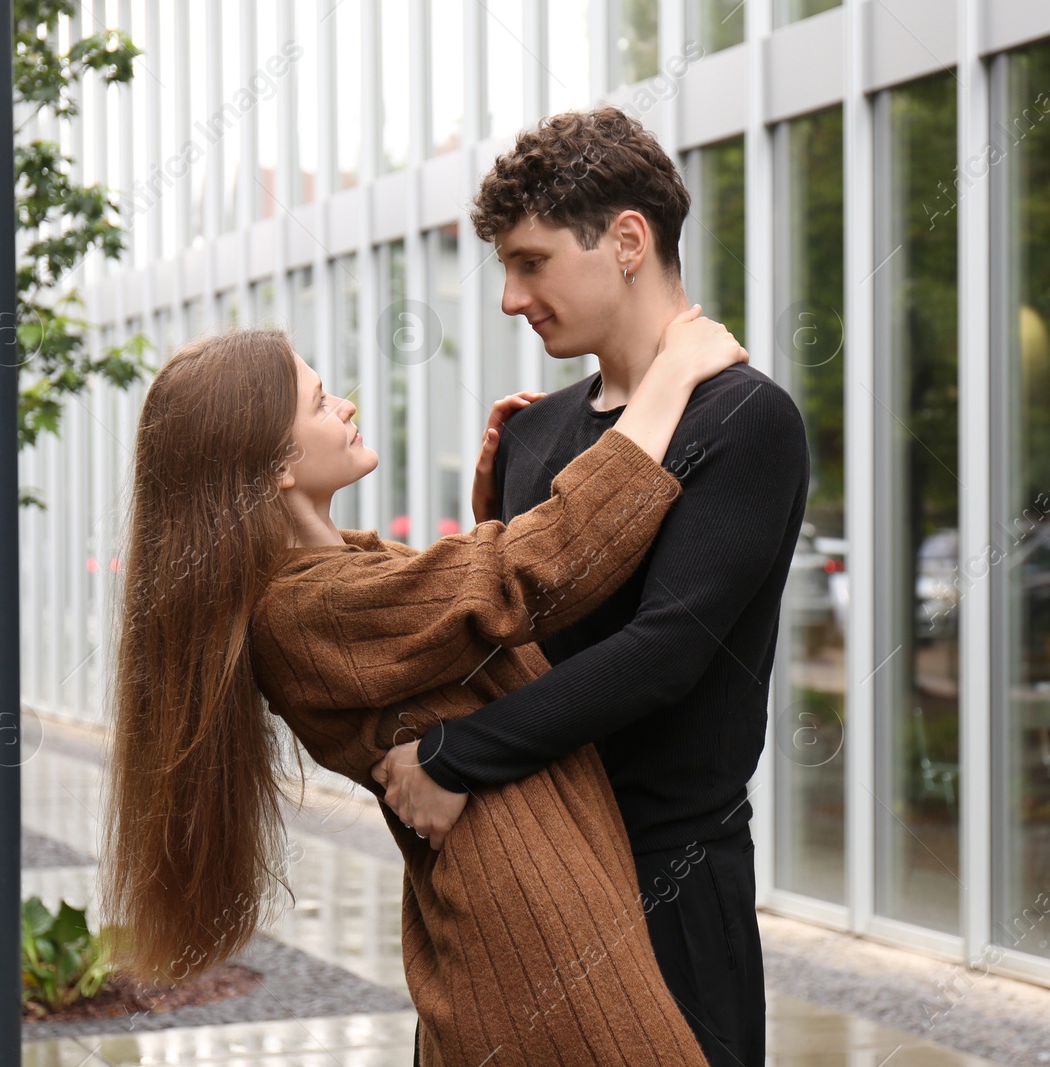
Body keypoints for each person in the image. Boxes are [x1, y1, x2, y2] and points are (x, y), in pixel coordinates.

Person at [99, 317, 746, 1066]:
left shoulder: (332, 583)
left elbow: (465, 639)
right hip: (533, 929)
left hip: (523, 914)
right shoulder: (303, 609)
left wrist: (490, 517)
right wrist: (670, 378)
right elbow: (529, 574)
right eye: (318, 402)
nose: (345, 406)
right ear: (276, 463)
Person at [374, 107, 810, 1067]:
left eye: (529, 262)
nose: (509, 298)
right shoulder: (531, 431)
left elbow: (666, 650)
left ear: (625, 241)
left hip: (668, 891)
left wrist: (454, 756)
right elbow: (510, 635)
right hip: (518, 872)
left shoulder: (747, 419)